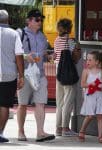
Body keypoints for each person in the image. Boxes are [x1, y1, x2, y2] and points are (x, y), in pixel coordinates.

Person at [17, 9, 55, 142]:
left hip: (40, 75)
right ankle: (21, 131)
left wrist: (49, 56)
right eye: (37, 19)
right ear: (29, 21)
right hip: (25, 74)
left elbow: (43, 55)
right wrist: (26, 56)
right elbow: (13, 53)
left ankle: (40, 132)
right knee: (22, 104)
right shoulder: (20, 34)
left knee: (40, 103)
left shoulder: (42, 36)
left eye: (41, 20)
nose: (40, 22)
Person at [0, 10, 24, 143]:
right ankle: (0, 133)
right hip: (9, 75)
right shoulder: (14, 34)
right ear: (8, 20)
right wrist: (21, 75)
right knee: (4, 105)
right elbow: (19, 56)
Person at [54, 18, 81, 137]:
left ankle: (58, 128)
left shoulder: (56, 40)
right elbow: (75, 58)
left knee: (59, 101)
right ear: (69, 28)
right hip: (68, 73)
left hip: (58, 72)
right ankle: (66, 128)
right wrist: (78, 49)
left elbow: (56, 57)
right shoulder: (71, 41)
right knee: (68, 101)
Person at [78, 50, 102, 143]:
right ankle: (82, 130)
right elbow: (82, 84)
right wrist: (91, 84)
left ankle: (100, 136)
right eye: (87, 60)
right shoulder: (86, 71)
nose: (87, 62)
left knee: (100, 116)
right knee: (90, 116)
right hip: (90, 96)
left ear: (97, 62)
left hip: (100, 96)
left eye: (90, 60)